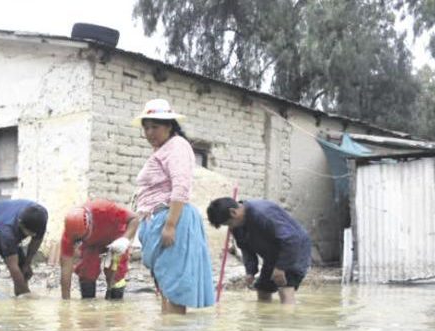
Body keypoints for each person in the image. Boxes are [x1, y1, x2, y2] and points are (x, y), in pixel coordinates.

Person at [132, 98, 214, 314]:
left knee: (174, 283)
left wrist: (170, 225)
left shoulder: (177, 146)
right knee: (165, 281)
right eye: (146, 127)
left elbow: (181, 187)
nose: (149, 132)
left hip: (172, 218)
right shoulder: (163, 150)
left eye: (155, 127)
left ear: (169, 126)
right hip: (158, 219)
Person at [206, 197, 312, 304]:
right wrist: (250, 271)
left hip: (294, 249)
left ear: (233, 212)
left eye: (228, 224)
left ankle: (287, 317)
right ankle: (265, 319)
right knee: (263, 289)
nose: (230, 227)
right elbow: (245, 248)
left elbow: (291, 239)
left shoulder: (262, 213)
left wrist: (280, 268)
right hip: (272, 254)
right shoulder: (236, 226)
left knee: (285, 288)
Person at [60, 199, 139, 300]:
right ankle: (88, 305)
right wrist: (66, 302)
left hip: (115, 238)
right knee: (87, 272)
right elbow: (66, 267)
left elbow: (134, 218)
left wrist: (125, 239)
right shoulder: (70, 233)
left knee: (116, 275)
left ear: (89, 225)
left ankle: (115, 305)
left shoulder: (105, 209)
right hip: (92, 244)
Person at [0, 199, 48, 298]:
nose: (32, 235)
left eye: (34, 233)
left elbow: (37, 240)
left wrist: (27, 263)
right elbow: (13, 267)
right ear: (20, 224)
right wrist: (27, 297)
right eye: (29, 233)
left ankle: (20, 306)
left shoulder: (41, 215)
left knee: (23, 270)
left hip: (5, 222)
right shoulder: (7, 231)